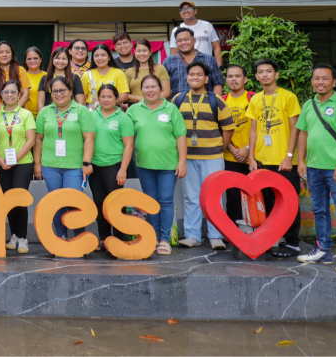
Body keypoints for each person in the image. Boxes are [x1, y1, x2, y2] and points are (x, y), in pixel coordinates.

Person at [296, 64, 336, 273]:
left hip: (335, 169)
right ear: (312, 81)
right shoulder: (309, 105)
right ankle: (323, 250)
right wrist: (301, 161)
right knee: (319, 210)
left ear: (334, 82)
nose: (320, 82)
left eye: (325, 78)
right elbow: (303, 134)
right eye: (316, 78)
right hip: (313, 168)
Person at [173, 61, 233, 250]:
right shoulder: (178, 99)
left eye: (199, 74)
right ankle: (192, 236)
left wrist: (220, 149)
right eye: (191, 74)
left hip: (213, 157)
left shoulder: (217, 100)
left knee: (214, 196)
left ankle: (216, 236)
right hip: (187, 158)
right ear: (187, 78)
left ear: (206, 79)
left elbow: (228, 128)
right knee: (191, 197)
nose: (195, 77)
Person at [246, 58, 302, 258]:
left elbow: (295, 128)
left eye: (268, 71)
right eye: (261, 72)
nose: (265, 75)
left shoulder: (288, 97)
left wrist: (289, 156)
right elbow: (253, 130)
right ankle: (272, 239)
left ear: (276, 74)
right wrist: (251, 157)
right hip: (262, 160)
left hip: (284, 161)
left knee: (289, 202)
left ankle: (293, 243)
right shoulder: (255, 99)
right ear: (256, 76)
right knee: (267, 202)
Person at [126, 76, 187, 256]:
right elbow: (124, 134)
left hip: (168, 165)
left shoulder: (171, 108)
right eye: (146, 87)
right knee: (150, 202)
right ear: (141, 90)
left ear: (161, 89)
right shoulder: (133, 110)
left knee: (165, 200)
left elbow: (181, 136)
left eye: (154, 86)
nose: (150, 90)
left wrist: (182, 161)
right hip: (144, 165)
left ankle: (165, 240)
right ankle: (153, 237)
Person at [34, 77, 95, 241]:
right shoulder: (45, 112)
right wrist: (37, 164)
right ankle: (60, 238)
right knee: (56, 203)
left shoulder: (81, 111)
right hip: (50, 165)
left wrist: (86, 162)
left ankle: (79, 239)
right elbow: (38, 139)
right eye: (54, 91)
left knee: (74, 203)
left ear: (70, 91)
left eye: (62, 90)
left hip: (75, 166)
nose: (58, 94)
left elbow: (89, 138)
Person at [0, 80, 36, 253]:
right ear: (1, 95)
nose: (10, 95)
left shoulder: (26, 114)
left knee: (19, 199)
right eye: (6, 92)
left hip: (22, 162)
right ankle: (14, 235)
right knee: (8, 199)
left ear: (19, 95)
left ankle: (23, 238)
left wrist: (15, 158)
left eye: (13, 92)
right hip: (2, 163)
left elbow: (31, 140)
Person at [89, 85, 134, 249]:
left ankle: (119, 239)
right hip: (94, 165)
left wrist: (123, 169)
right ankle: (104, 239)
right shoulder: (91, 116)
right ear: (98, 98)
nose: (106, 100)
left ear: (116, 98)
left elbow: (128, 145)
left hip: (115, 166)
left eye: (110, 97)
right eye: (103, 96)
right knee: (99, 203)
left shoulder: (123, 118)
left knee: (116, 203)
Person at [221, 65, 254, 225]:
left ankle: (257, 230)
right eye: (230, 76)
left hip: (252, 155)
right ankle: (233, 232)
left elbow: (260, 128)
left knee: (255, 195)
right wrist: (233, 150)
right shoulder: (222, 100)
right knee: (233, 196)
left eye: (237, 76)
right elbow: (219, 129)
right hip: (230, 156)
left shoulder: (253, 98)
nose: (233, 79)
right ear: (226, 80)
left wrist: (247, 148)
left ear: (245, 79)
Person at [165, 27, 224, 100]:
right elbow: (164, 87)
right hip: (176, 105)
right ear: (176, 43)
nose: (183, 43)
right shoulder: (169, 61)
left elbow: (218, 83)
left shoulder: (209, 59)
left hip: (205, 104)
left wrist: (215, 102)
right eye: (179, 41)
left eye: (186, 39)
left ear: (194, 40)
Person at [170, 1, 223, 67]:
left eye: (189, 8)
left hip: (207, 66)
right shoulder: (176, 30)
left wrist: (219, 67)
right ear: (180, 13)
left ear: (195, 11)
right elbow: (174, 52)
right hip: (185, 67)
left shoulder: (207, 25)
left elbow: (216, 47)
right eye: (182, 9)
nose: (186, 11)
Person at [81, 44, 129, 108]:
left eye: (103, 55)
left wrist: (104, 102)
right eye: (96, 56)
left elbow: (124, 96)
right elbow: (83, 98)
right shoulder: (87, 75)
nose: (100, 58)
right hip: (92, 110)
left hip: (113, 109)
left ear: (109, 57)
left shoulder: (118, 73)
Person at [125, 39, 171, 103]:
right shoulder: (129, 72)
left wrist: (148, 99)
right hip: (136, 107)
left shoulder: (160, 69)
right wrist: (141, 99)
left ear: (150, 51)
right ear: (134, 52)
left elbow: (166, 93)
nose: (141, 54)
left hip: (157, 106)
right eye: (138, 51)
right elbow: (125, 95)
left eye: (144, 50)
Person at [0, 41, 31, 109]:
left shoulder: (20, 70)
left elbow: (25, 94)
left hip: (19, 111)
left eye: (7, 52)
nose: (4, 54)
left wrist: (14, 110)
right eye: (1, 52)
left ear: (12, 55)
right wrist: (4, 110)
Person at [23, 47, 46, 117]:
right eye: (29, 59)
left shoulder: (48, 76)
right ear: (25, 61)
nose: (32, 61)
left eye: (35, 58)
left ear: (41, 59)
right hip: (26, 117)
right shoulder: (22, 76)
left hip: (45, 116)